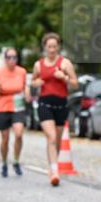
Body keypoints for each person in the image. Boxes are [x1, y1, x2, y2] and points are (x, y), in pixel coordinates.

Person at [29, 32, 77, 186]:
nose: (52, 50)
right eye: (49, 47)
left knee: (56, 140)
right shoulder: (39, 64)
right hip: (45, 104)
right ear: (45, 47)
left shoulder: (65, 63)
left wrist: (64, 77)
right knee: (51, 138)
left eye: (54, 47)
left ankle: (52, 166)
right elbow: (33, 81)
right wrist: (36, 83)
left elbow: (75, 83)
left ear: (58, 47)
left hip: (61, 105)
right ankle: (55, 170)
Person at [0, 47, 29, 177]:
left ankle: (16, 161)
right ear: (5, 59)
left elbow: (25, 87)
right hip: (2, 107)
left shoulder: (22, 72)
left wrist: (27, 94)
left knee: (19, 134)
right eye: (9, 57)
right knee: (5, 138)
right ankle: (4, 163)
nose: (12, 60)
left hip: (17, 107)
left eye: (15, 57)